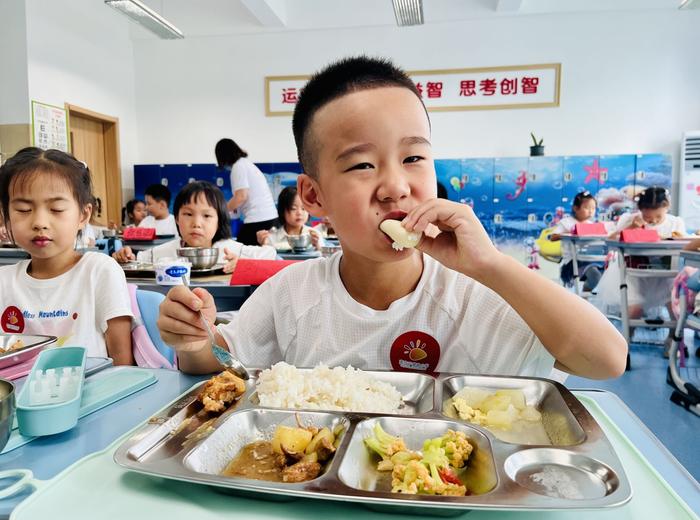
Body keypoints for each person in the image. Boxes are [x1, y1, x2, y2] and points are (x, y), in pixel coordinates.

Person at [158, 56, 626, 378]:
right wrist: (194, 339)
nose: (396, 186)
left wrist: (490, 265)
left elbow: (605, 360)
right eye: (363, 165)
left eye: (414, 158)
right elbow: (218, 360)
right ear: (314, 196)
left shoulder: (476, 292)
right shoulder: (292, 294)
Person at [0, 147, 133, 364]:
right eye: (24, 210)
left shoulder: (99, 271)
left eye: (57, 209)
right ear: (6, 216)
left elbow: (123, 366)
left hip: (94, 395)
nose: (39, 222)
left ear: (83, 215)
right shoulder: (4, 281)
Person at [113, 181, 276, 271]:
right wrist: (125, 256)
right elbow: (135, 260)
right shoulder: (166, 251)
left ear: (219, 220)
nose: (197, 224)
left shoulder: (231, 250)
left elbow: (271, 256)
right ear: (176, 218)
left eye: (206, 216)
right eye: (188, 214)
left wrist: (244, 264)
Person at [602, 187, 686, 320]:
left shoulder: (675, 223)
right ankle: (626, 337)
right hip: (632, 270)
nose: (653, 221)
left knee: (675, 302)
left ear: (667, 207)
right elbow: (610, 240)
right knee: (635, 309)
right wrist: (631, 228)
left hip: (665, 272)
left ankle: (673, 336)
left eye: (658, 216)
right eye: (647, 217)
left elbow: (682, 245)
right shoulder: (631, 219)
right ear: (640, 210)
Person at [215, 138, 277, 246]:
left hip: (258, 219)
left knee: (240, 251)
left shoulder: (238, 166)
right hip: (270, 217)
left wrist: (220, 211)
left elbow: (241, 197)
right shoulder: (246, 164)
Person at [550, 191, 604, 290]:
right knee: (595, 275)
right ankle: (583, 298)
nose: (591, 211)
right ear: (576, 208)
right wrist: (570, 234)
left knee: (603, 272)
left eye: (593, 208)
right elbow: (552, 237)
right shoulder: (567, 222)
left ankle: (585, 296)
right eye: (587, 208)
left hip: (591, 259)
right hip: (572, 262)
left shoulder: (592, 225)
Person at [256, 187, 321, 250]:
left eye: (303, 208)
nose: (299, 213)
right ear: (282, 211)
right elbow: (267, 258)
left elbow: (324, 258)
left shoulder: (315, 235)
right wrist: (263, 244)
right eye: (293, 208)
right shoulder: (272, 238)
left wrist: (317, 246)